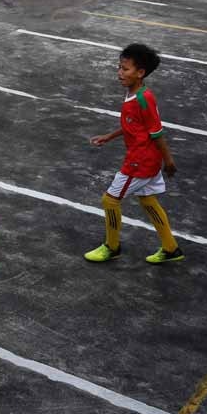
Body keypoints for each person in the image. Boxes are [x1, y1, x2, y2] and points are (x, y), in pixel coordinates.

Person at [84, 42, 183, 265]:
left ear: (140, 73)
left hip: (140, 161)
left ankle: (112, 246)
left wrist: (169, 161)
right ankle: (171, 248)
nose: (120, 73)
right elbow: (134, 126)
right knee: (148, 200)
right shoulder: (134, 94)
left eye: (125, 69)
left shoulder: (142, 98)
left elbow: (156, 132)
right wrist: (109, 136)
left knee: (109, 201)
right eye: (119, 67)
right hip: (146, 159)